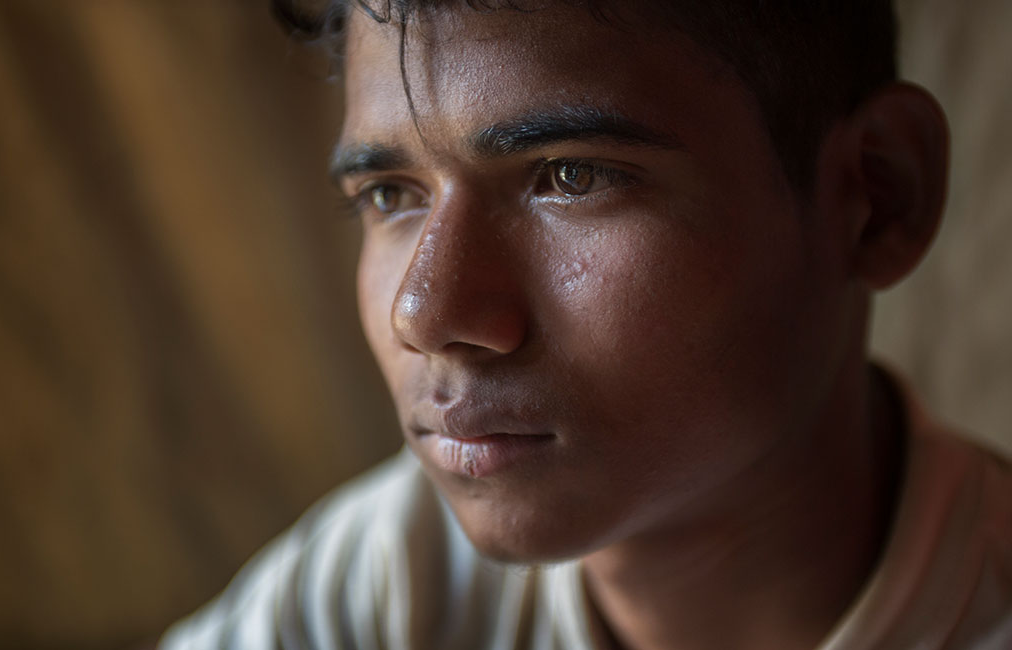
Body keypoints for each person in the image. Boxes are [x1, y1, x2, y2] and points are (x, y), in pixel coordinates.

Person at [159, 1, 1012, 648]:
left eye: (570, 177)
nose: (424, 313)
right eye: (391, 196)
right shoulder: (386, 583)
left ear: (876, 197)